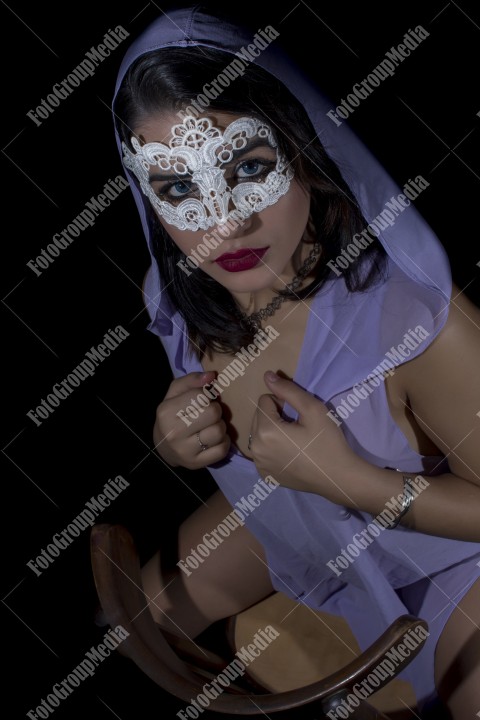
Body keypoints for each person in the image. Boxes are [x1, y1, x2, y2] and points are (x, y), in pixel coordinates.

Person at [112, 6, 480, 716]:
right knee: (130, 637)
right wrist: (174, 435)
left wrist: (354, 481)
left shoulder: (421, 323)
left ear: (305, 144)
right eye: (180, 189)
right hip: (291, 530)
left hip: (450, 559)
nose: (225, 225)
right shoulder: (177, 293)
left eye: (248, 168)